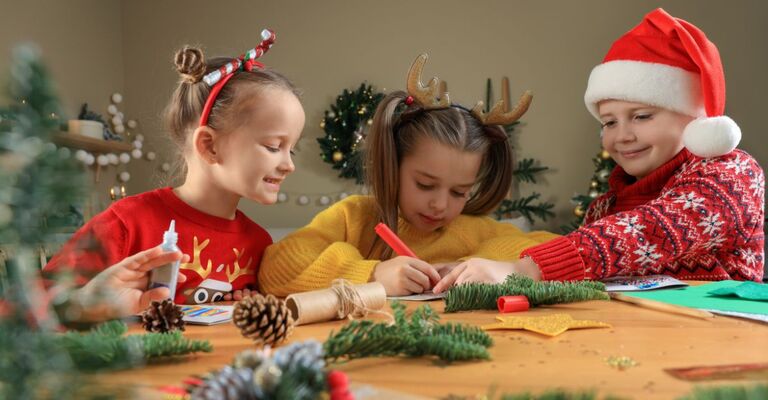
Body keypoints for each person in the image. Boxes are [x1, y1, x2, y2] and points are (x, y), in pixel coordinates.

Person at [433, 8, 764, 293]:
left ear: (695, 117)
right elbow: (585, 267)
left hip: (717, 349)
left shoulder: (729, 176)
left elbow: (649, 231)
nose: (622, 136)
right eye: (609, 123)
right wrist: (475, 269)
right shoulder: (605, 208)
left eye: (642, 116)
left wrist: (525, 270)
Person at [44, 30, 305, 318]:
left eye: (291, 150)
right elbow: (20, 314)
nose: (289, 165)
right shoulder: (127, 224)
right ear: (209, 145)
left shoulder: (259, 244)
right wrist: (85, 305)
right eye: (273, 146)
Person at [259, 54, 558, 296]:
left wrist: (476, 265)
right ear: (393, 164)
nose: (440, 205)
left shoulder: (470, 230)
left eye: (459, 192)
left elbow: (554, 247)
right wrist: (372, 275)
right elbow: (277, 265)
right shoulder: (354, 218)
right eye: (425, 184)